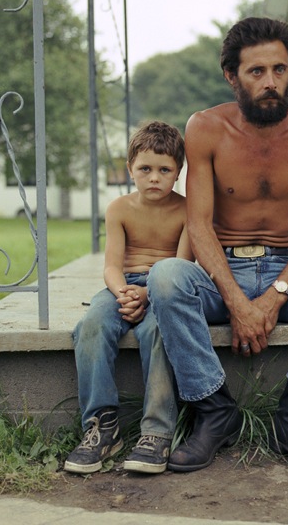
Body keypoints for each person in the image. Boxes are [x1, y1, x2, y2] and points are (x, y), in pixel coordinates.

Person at [147, 17, 288, 480]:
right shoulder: (206, 128)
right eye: (256, 72)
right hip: (223, 270)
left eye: (280, 69)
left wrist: (274, 296)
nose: (271, 82)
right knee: (165, 276)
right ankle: (215, 410)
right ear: (232, 76)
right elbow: (198, 224)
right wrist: (236, 300)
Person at [64, 120, 193, 475]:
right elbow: (111, 265)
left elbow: (182, 266)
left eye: (165, 170)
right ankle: (102, 427)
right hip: (122, 287)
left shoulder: (187, 210)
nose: (155, 177)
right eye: (145, 169)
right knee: (91, 325)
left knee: (159, 332)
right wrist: (124, 293)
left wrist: (148, 294)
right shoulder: (119, 208)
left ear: (178, 172)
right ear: (130, 170)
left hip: (165, 289)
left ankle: (156, 432)